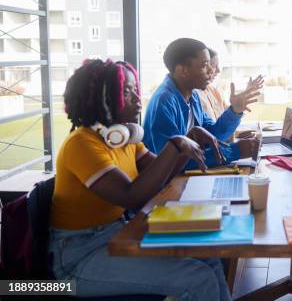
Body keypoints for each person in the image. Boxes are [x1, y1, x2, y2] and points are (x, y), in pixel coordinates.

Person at [49, 59, 231, 301]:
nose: (137, 98)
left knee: (208, 255)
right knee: (197, 279)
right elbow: (132, 196)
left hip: (119, 234)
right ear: (101, 98)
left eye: (136, 90)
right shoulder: (82, 144)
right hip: (79, 258)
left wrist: (187, 139)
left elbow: (163, 175)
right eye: (126, 91)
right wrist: (176, 143)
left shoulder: (123, 138)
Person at [143, 38, 260, 167]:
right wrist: (235, 151)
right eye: (205, 65)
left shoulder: (192, 96)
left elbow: (213, 135)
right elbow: (171, 161)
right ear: (183, 70)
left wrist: (234, 111)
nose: (211, 70)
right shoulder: (163, 102)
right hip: (169, 184)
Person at [199, 47, 264, 125]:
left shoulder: (212, 90)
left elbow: (227, 114)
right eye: (213, 65)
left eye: (217, 66)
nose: (218, 71)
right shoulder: (193, 95)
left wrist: (246, 93)